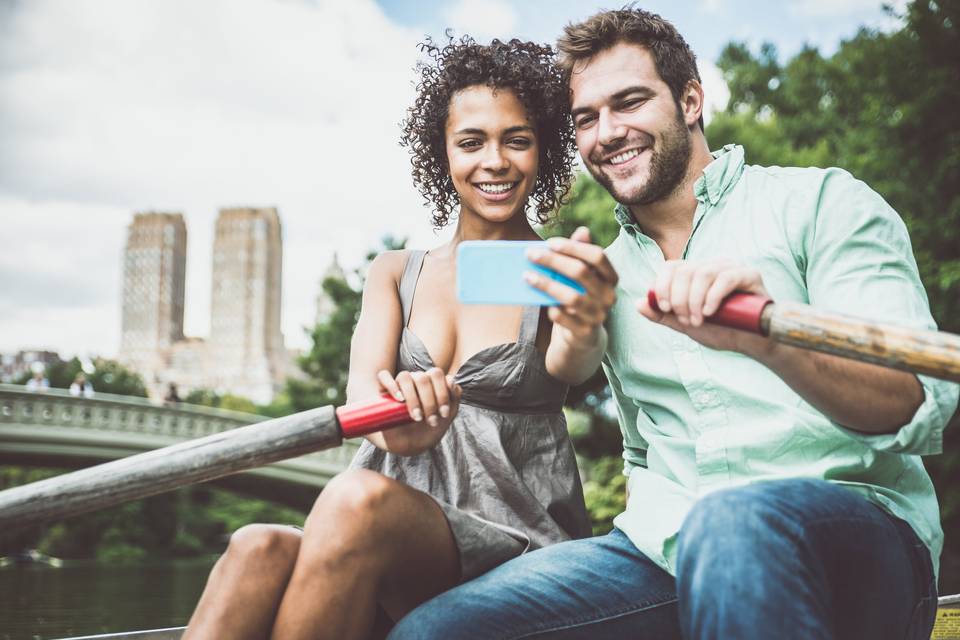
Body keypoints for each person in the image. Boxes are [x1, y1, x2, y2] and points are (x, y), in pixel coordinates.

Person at [389, 8, 959, 640]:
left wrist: (771, 340)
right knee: (434, 630)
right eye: (586, 118)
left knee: (733, 523)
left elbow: (908, 401)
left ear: (690, 99)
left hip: (858, 538)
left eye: (630, 102)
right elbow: (604, 415)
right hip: (660, 554)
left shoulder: (821, 201)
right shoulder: (601, 275)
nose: (608, 132)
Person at [183, 36, 618, 640]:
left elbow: (575, 362)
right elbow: (365, 405)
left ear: (542, 150)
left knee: (355, 500)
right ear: (442, 153)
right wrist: (397, 429)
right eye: (471, 142)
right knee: (254, 546)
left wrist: (582, 318)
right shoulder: (395, 271)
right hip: (391, 524)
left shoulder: (561, 266)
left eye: (516, 139)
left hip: (513, 534)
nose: (494, 160)